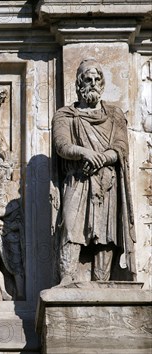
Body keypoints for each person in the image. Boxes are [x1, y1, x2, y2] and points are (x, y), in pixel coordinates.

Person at [52, 58, 135, 283]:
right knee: (71, 227)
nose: (93, 82)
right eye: (87, 79)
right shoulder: (65, 115)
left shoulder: (115, 115)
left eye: (97, 79)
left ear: (102, 83)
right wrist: (84, 153)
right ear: (79, 84)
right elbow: (61, 145)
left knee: (105, 234)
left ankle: (102, 282)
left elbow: (120, 147)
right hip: (77, 180)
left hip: (106, 181)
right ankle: (67, 280)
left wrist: (101, 159)